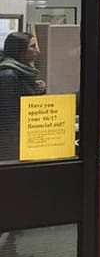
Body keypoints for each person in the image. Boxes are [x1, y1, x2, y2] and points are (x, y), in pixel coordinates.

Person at [0, 32, 47, 162]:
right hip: (11, 146)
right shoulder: (8, 75)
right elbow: (9, 117)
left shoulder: (21, 71)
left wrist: (37, 90)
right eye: (32, 46)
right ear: (20, 50)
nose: (37, 50)